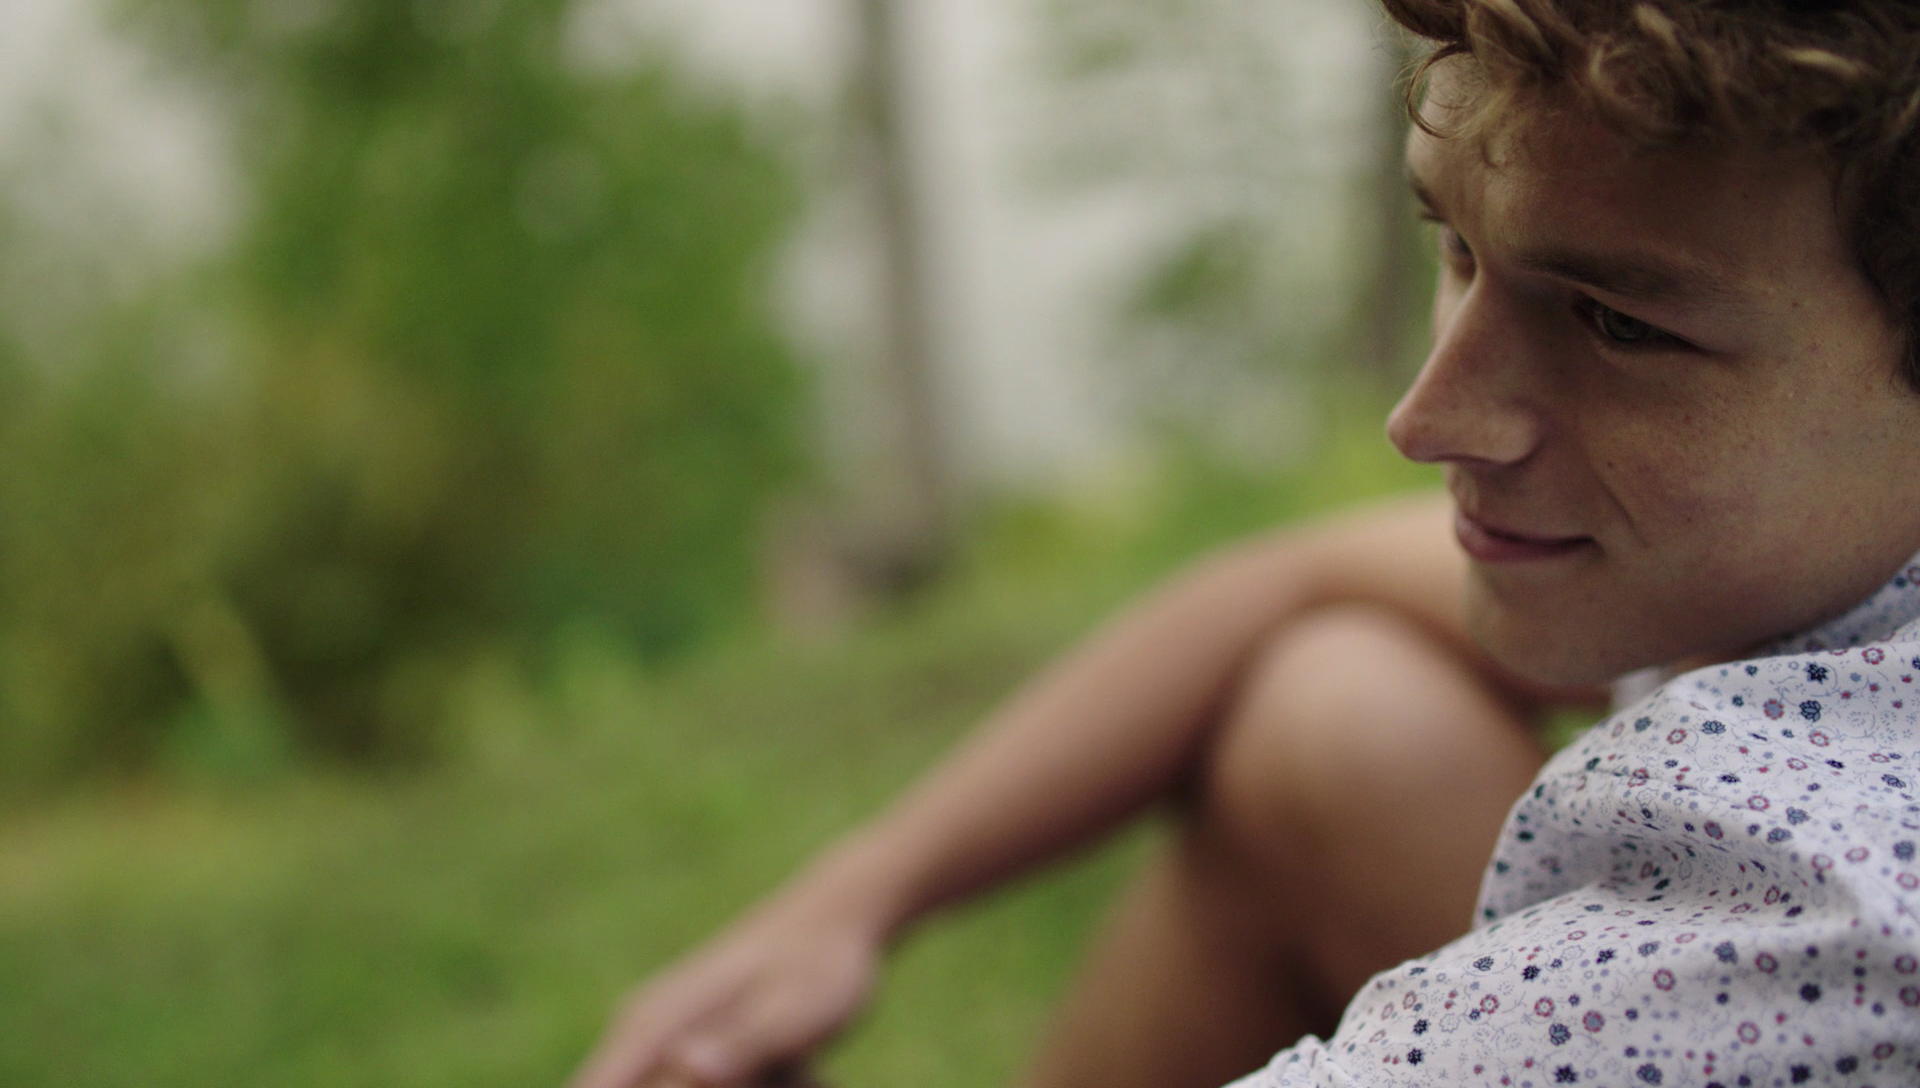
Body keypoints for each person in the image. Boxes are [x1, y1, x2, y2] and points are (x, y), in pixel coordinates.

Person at [572, 1, 1920, 1086]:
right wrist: (852, 898)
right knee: (1338, 715)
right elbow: (1285, 579)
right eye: (1454, 245)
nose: (1424, 419)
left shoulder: (1799, 923)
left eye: (1617, 324)